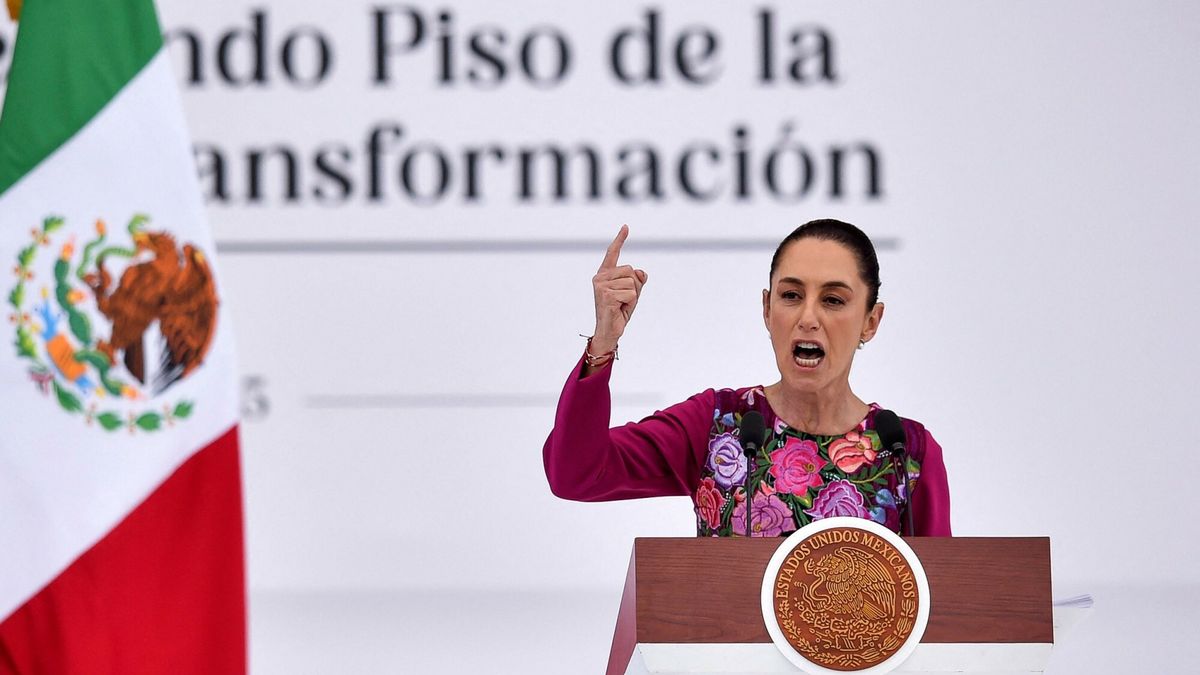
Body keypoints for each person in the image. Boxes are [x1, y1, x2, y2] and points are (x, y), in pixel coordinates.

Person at [542, 220, 951, 536]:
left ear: (871, 321)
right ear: (767, 308)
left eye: (833, 300)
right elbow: (576, 474)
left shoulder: (906, 454)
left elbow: (941, 610)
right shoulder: (720, 425)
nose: (808, 318)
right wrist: (603, 344)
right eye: (791, 296)